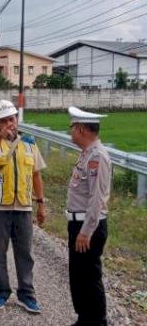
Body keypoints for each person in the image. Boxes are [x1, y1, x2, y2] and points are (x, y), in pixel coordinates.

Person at [0, 100, 46, 314]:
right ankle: (1, 291)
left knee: (25, 252)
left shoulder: (29, 142)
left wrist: (41, 203)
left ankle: (26, 294)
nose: (10, 123)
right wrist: (0, 138)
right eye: (4, 121)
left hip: (24, 208)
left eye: (12, 118)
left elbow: (36, 174)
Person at [67, 106, 111, 326]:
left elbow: (97, 199)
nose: (70, 131)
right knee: (78, 275)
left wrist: (86, 231)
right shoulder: (86, 154)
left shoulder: (98, 156)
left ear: (82, 129)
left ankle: (98, 321)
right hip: (78, 224)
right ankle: (85, 318)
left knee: (90, 276)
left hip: (89, 226)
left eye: (72, 127)